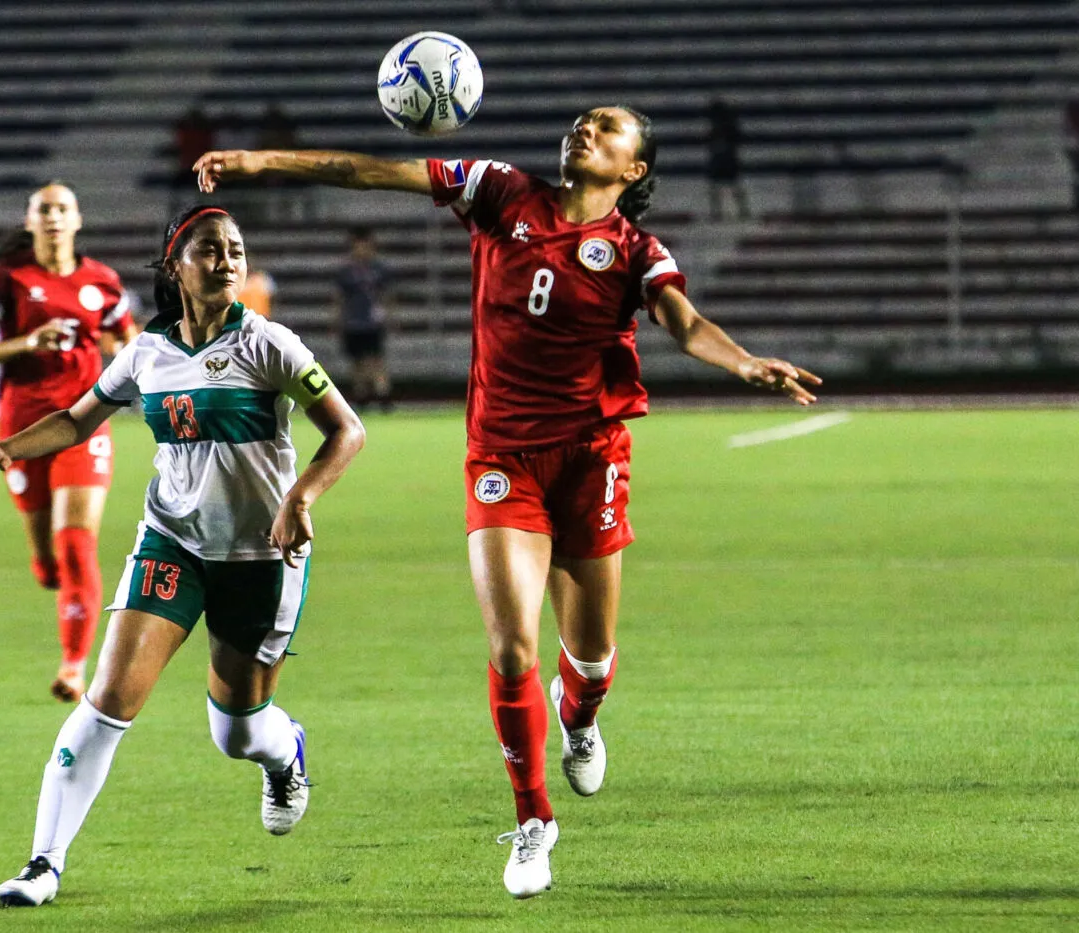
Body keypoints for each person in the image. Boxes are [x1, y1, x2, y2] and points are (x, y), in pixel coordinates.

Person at [193, 106, 820, 899]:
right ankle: (533, 822)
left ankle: (581, 715)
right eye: (584, 121)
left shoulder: (635, 251)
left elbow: (682, 322)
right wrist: (258, 163)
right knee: (512, 647)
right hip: (501, 459)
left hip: (591, 459)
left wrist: (745, 364)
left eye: (610, 128)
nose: (586, 130)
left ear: (633, 171)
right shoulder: (499, 192)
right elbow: (371, 172)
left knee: (587, 660)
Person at [0, 205, 365, 908]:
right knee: (109, 698)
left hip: (260, 555)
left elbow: (345, 431)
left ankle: (284, 749)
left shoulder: (271, 344)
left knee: (235, 732)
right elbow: (80, 418)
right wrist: (9, 448)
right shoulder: (146, 352)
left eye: (235, 247)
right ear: (177, 266)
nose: (228, 259)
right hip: (172, 539)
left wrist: (303, 496)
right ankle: (43, 863)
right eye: (210, 248)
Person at [0, 183, 138, 703]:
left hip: (84, 423)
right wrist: (26, 342)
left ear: (78, 219)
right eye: (45, 210)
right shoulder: (6, 280)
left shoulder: (102, 282)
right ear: (31, 220)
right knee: (48, 568)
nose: (54, 217)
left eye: (63, 209)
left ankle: (73, 668)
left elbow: (124, 341)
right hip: (22, 430)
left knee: (76, 542)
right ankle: (66, 600)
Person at [333, 227, 393, 412]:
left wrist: (390, 316)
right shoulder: (346, 272)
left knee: (376, 360)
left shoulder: (379, 270)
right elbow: (339, 298)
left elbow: (387, 296)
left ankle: (383, 397)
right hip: (353, 322)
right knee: (357, 362)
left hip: (373, 322)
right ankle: (361, 398)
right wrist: (337, 319)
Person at [707, 97, 750, 221]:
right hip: (724, 158)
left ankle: (723, 212)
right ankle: (735, 211)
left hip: (726, 158)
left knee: (729, 187)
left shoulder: (726, 127)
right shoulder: (721, 127)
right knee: (723, 187)